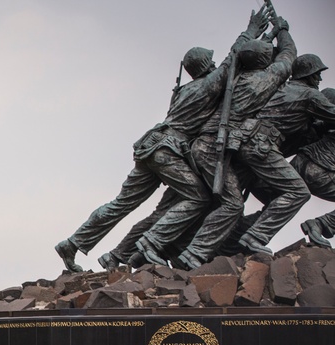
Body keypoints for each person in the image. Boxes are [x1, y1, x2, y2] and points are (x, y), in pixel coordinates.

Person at [54, 8, 270, 271]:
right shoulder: (206, 86)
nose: (215, 65)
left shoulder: (185, 91)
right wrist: (251, 31)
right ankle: (150, 242)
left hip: (151, 147)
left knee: (121, 204)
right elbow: (232, 59)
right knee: (199, 198)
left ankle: (73, 242)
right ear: (206, 66)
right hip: (168, 150)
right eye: (211, 63)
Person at [173, 14, 297, 268]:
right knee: (232, 204)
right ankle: (193, 253)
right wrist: (282, 29)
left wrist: (257, 33)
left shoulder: (232, 76)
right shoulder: (267, 79)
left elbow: (236, 54)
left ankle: (194, 249)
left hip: (209, 145)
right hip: (211, 147)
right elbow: (288, 55)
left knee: (224, 202)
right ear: (265, 61)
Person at [227, 54, 335, 254]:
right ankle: (255, 237)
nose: (319, 79)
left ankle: (229, 243)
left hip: (265, 149)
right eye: (317, 74)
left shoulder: (285, 89)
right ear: (309, 74)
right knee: (298, 193)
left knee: (275, 203)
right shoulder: (310, 95)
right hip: (264, 148)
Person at [295, 88, 335, 247]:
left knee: (278, 203)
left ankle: (240, 232)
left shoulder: (330, 95)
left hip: (300, 161)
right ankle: (322, 224)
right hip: (323, 171)